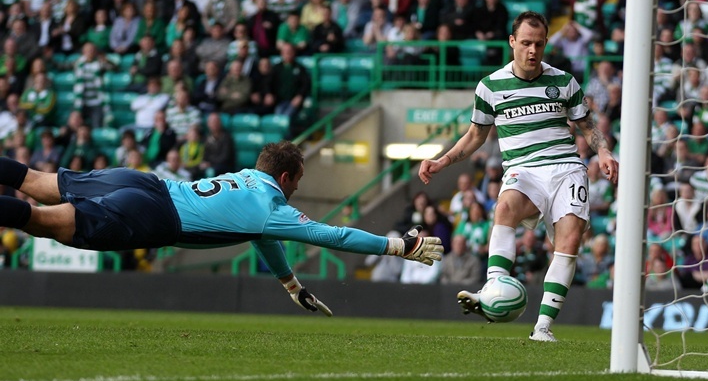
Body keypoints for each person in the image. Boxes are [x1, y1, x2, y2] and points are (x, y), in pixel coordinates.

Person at [0, 141, 443, 315]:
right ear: (287, 179)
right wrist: (399, 245)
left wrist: (292, 286)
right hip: (154, 216)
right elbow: (335, 235)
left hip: (142, 181)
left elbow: (263, 238)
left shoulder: (245, 178)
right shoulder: (271, 205)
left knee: (33, 182)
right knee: (41, 221)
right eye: (298, 182)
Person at [418, 11, 619, 342]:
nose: (532, 50)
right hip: (522, 169)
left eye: (539, 44)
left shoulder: (564, 82)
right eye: (525, 43)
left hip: (566, 167)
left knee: (569, 241)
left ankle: (542, 327)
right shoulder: (490, 87)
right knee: (505, 207)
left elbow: (588, 126)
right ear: (512, 42)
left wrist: (604, 152)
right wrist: (442, 161)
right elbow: (474, 136)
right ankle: (493, 287)